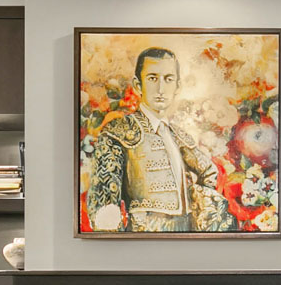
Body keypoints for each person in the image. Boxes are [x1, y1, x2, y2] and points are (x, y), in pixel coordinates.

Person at [86, 47, 218, 231]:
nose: (161, 89)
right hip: (143, 234)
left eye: (168, 79)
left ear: (177, 87)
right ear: (138, 85)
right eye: (152, 78)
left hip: (186, 233)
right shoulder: (118, 131)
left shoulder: (178, 134)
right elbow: (104, 204)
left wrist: (201, 212)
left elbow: (210, 173)